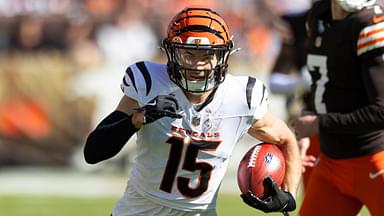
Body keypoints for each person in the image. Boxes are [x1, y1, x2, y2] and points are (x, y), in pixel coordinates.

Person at [84, 6, 301, 216]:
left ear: (222, 57)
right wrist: (136, 120)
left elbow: (286, 140)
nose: (197, 65)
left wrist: (289, 196)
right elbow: (93, 152)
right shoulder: (150, 83)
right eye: (188, 54)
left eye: (206, 55)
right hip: (139, 210)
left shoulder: (241, 97)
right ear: (172, 53)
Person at [292, 0, 384, 215]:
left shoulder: (370, 23)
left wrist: (319, 123)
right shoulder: (320, 15)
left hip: (375, 159)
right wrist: (308, 116)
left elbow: (382, 111)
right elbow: (323, 82)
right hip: (331, 163)